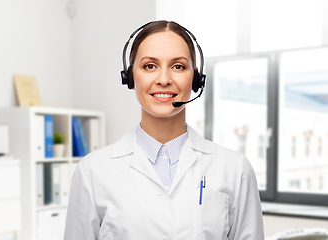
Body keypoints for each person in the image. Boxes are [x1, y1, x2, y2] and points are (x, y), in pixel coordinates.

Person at [64, 20, 264, 240]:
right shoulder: (93, 171)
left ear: (196, 78)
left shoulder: (235, 169)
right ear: (130, 77)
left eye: (178, 66)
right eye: (150, 66)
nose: (164, 80)